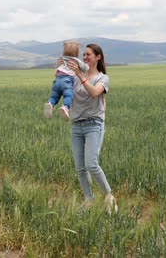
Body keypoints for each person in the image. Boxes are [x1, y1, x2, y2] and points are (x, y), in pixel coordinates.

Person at [65, 43, 117, 214]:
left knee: (91, 164)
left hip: (93, 125)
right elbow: (64, 87)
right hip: (76, 125)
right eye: (84, 55)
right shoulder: (75, 76)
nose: (85, 57)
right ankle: (89, 200)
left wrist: (80, 75)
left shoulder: (102, 78)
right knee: (80, 167)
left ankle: (109, 197)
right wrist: (61, 71)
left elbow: (95, 93)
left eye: (88, 54)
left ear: (98, 57)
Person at [44, 41, 89, 121]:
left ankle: (50, 104)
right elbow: (86, 68)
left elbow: (57, 69)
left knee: (54, 96)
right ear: (76, 52)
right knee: (68, 96)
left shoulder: (61, 59)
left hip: (57, 81)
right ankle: (65, 107)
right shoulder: (76, 60)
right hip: (67, 82)